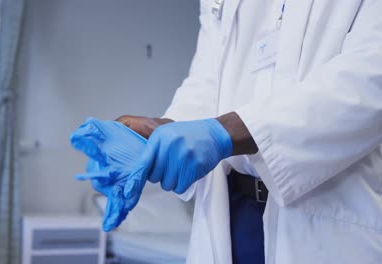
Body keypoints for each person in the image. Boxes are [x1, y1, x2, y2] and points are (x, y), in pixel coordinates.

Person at [115, 0, 382, 263]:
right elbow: (208, 79)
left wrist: (226, 132)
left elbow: (370, 77)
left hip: (327, 221)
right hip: (231, 213)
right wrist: (166, 131)